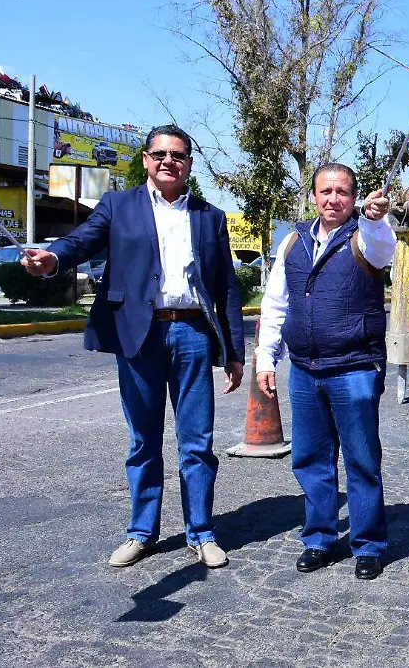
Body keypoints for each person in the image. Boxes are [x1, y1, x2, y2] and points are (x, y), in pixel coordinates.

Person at [21, 124, 245, 569]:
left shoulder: (209, 216)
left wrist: (234, 351)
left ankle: (201, 532)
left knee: (197, 441)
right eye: (160, 153)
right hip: (139, 334)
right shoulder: (119, 205)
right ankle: (142, 532)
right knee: (143, 439)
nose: (168, 161)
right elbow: (81, 241)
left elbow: (227, 288)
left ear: (189, 164)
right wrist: (53, 259)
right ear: (145, 159)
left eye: (177, 155)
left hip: (193, 334)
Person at [254, 163, 395, 580]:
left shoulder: (365, 236)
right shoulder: (293, 241)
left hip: (353, 367)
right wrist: (266, 356)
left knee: (362, 459)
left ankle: (368, 544)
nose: (334, 199)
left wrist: (375, 217)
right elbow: (276, 302)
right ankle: (319, 538)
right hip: (304, 368)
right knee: (311, 459)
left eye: (343, 192)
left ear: (354, 198)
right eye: (326, 191)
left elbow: (382, 247)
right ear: (313, 196)